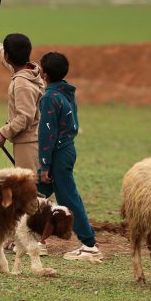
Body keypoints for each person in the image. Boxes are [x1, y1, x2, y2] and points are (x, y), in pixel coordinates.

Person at [36, 51, 100, 259]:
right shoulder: (66, 92)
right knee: (36, 193)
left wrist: (45, 165)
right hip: (67, 149)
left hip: (58, 154)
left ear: (44, 74)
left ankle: (89, 244)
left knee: (68, 198)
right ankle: (31, 239)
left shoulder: (49, 98)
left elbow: (47, 134)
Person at [0, 33, 45, 173]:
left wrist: (4, 133)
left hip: (28, 145)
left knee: (30, 184)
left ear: (8, 56)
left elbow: (25, 117)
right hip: (35, 139)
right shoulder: (30, 71)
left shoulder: (22, 84)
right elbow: (7, 61)